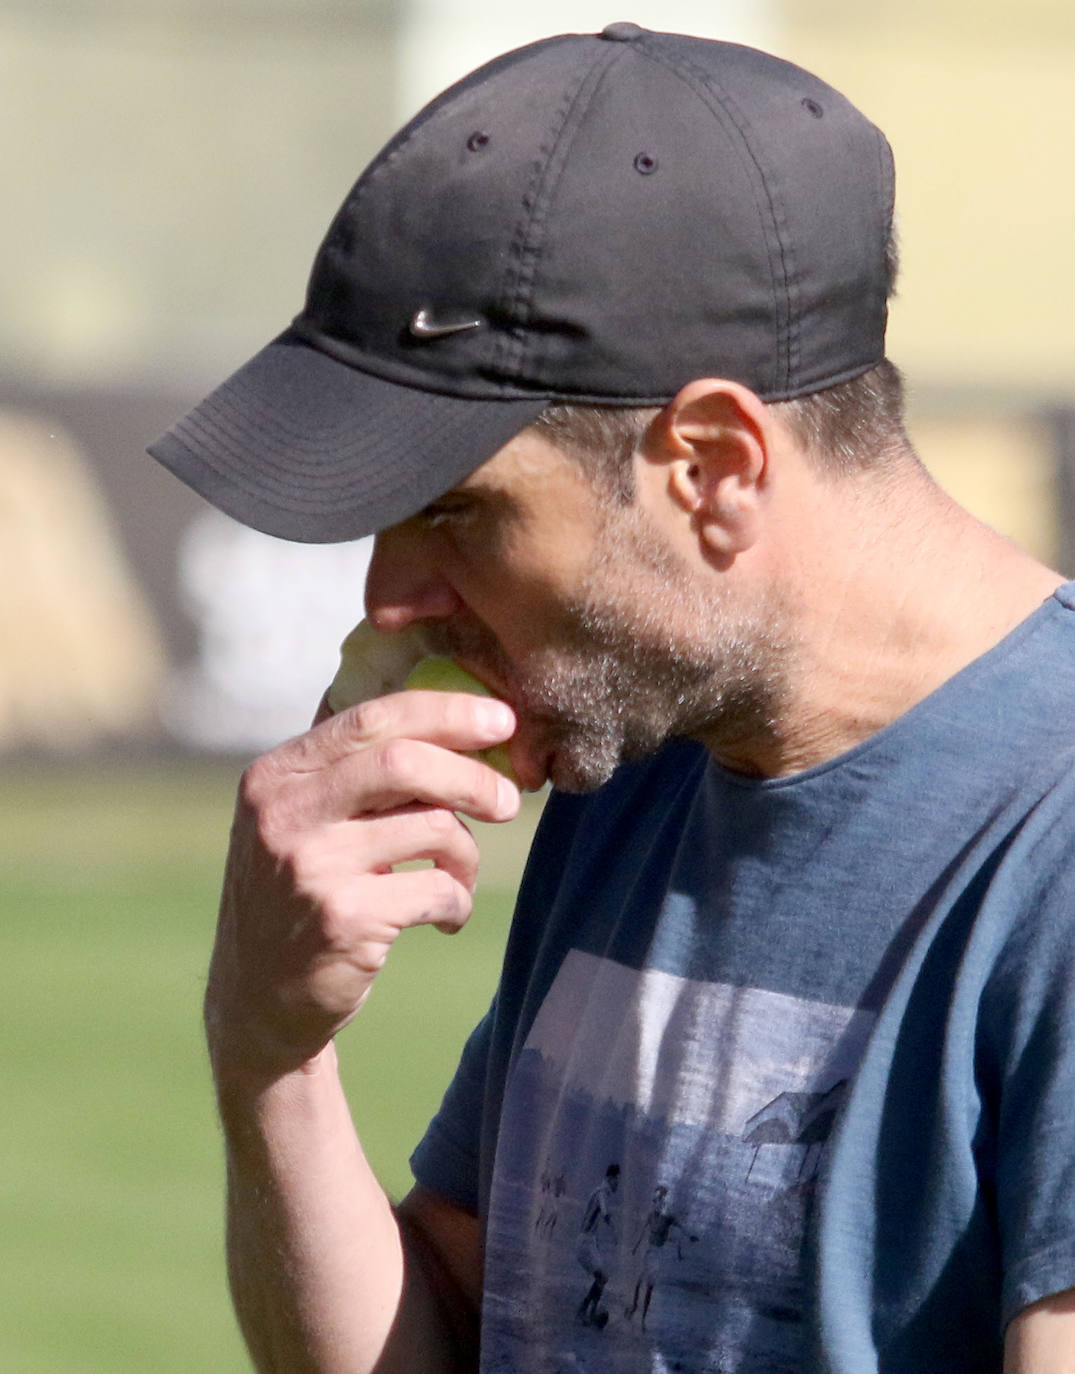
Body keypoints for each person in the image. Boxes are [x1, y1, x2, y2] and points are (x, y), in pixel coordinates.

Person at [147, 23, 1075, 1374]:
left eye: (458, 510)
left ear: (709, 465)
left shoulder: (1049, 835)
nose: (388, 595)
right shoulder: (647, 754)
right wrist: (268, 1053)